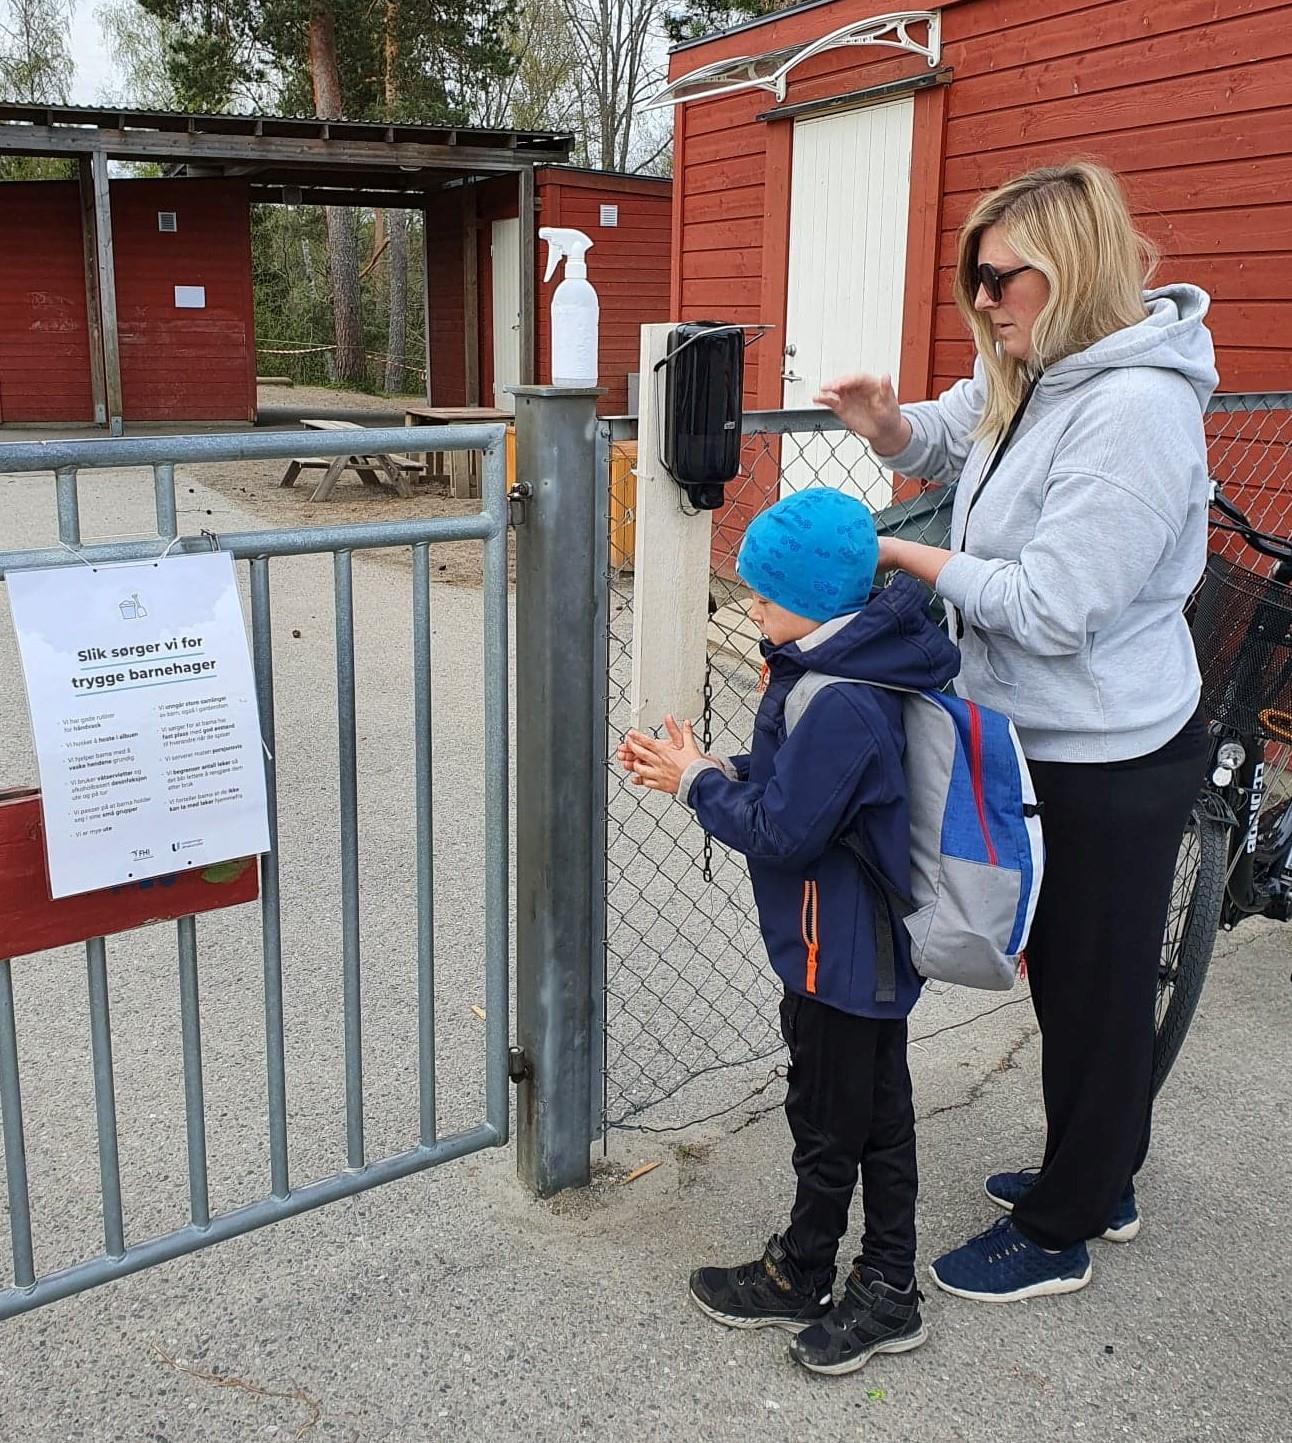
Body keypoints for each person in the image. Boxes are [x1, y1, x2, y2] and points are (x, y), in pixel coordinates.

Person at [816, 161, 1216, 1302]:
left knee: (1089, 988)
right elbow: (955, 432)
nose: (982, 301)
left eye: (1001, 279)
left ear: (1071, 268)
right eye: (972, 280)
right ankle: (1105, 1172)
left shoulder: (1132, 411)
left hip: (1105, 751)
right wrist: (890, 426)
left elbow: (1053, 608)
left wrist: (904, 554)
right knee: (1071, 975)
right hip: (1037, 737)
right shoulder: (1037, 368)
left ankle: (1062, 1228)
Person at [620, 488, 959, 1375]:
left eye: (764, 595)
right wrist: (707, 765)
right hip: (850, 943)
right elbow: (782, 780)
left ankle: (811, 1270)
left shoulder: (840, 696)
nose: (753, 608)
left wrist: (697, 786)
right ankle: (881, 1282)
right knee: (874, 1111)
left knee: (830, 1114)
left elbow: (783, 828)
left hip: (843, 953)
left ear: (813, 596)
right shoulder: (825, 661)